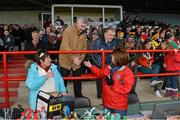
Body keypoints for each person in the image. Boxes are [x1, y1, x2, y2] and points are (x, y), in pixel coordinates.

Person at [84, 48, 134, 117]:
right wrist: (91, 67)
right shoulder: (110, 67)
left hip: (119, 106)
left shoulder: (128, 72)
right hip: (107, 104)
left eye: (113, 56)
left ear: (118, 57)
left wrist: (113, 84)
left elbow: (126, 89)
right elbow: (101, 73)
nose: (111, 57)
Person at [59, 17, 87, 97]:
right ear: (76, 24)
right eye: (82, 26)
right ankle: (62, 96)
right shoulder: (68, 30)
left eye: (85, 26)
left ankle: (78, 96)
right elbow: (65, 45)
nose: (83, 28)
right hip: (65, 60)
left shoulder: (84, 33)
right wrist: (73, 57)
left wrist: (81, 58)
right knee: (63, 80)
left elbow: (84, 47)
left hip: (77, 61)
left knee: (78, 80)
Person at [91, 27, 118, 98]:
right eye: (110, 35)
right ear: (105, 34)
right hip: (100, 64)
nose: (112, 37)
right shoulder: (97, 42)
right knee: (101, 74)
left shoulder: (114, 41)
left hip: (111, 64)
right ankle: (100, 94)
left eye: (113, 35)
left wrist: (112, 63)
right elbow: (94, 56)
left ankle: (112, 91)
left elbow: (116, 53)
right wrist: (103, 65)